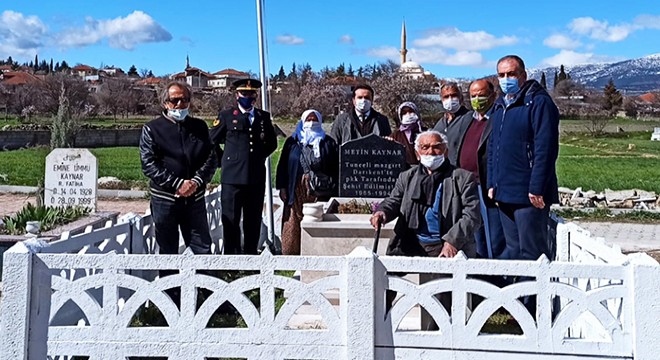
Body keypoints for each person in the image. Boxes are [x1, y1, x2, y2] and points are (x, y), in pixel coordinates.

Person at [487, 55, 559, 263]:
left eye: (511, 74)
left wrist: (536, 187)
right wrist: (493, 183)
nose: (506, 79)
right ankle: (517, 296)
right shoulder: (500, 106)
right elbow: (493, 148)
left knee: (531, 254)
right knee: (513, 252)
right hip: (504, 192)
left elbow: (545, 149)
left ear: (523, 75)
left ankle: (534, 296)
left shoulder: (538, 103)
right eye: (501, 75)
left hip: (528, 195)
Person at [371, 130, 480, 259]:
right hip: (413, 242)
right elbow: (394, 200)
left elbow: (472, 216)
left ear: (446, 152)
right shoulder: (407, 177)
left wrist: (452, 241)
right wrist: (382, 212)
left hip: (446, 245)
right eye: (425, 147)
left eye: (436, 147)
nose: (430, 152)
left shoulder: (463, 178)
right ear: (417, 154)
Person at [139, 81, 217, 256]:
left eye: (185, 100)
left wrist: (196, 182)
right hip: (165, 200)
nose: (180, 105)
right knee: (167, 251)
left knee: (202, 249)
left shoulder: (199, 127)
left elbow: (211, 158)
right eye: (175, 100)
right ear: (165, 103)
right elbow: (148, 164)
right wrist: (177, 184)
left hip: (194, 199)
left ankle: (204, 284)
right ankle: (170, 284)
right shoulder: (152, 129)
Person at [210, 78, 277, 255]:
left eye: (251, 94)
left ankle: (250, 256)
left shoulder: (263, 117)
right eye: (244, 93)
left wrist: (258, 157)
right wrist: (223, 159)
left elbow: (271, 143)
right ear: (236, 95)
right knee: (231, 219)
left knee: (253, 219)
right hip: (232, 178)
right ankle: (232, 259)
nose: (248, 97)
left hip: (255, 177)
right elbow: (211, 141)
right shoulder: (226, 116)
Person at [276, 109, 339, 255]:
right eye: (308, 119)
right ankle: (292, 256)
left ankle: (315, 253)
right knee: (293, 220)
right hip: (295, 187)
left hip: (319, 190)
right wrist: (282, 187)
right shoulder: (292, 142)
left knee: (316, 218)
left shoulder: (328, 142)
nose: (311, 122)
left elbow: (335, 167)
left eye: (314, 119)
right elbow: (282, 165)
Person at [456, 79, 506, 260]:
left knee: (494, 234)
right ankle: (480, 277)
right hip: (467, 186)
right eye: (473, 96)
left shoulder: (499, 118)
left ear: (493, 95)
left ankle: (498, 277)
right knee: (475, 233)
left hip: (487, 185)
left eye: (481, 95)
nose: (477, 99)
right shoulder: (467, 120)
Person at [432, 82, 473, 166]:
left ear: (461, 98)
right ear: (442, 100)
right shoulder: (440, 124)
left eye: (454, 95)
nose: (450, 99)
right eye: (446, 97)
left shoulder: (469, 118)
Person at [390, 101, 426, 166]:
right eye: (404, 113)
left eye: (411, 111)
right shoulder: (395, 135)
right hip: (404, 171)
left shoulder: (425, 132)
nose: (408, 114)